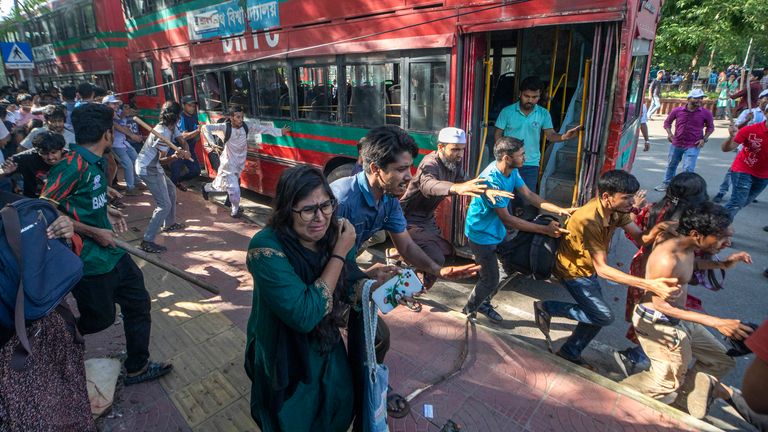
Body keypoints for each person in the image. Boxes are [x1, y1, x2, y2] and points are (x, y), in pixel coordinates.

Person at [330, 125, 479, 424]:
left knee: (377, 339)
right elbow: (323, 258)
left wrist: (438, 269)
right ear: (375, 169)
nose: (409, 176)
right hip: (318, 284)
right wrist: (362, 275)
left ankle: (370, 387)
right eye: (401, 169)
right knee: (327, 353)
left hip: (349, 281)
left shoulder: (387, 201)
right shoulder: (340, 199)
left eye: (410, 167)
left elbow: (407, 245)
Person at [244, 165, 397, 431]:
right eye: (307, 209)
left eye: (326, 205)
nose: (320, 218)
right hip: (284, 348)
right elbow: (304, 314)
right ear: (286, 210)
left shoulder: (333, 234)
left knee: (338, 403)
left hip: (325, 341)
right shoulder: (265, 248)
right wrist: (340, 252)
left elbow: (346, 282)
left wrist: (371, 283)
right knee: (293, 416)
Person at [39, 103, 172, 385]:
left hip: (112, 253)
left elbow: (81, 199)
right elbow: (43, 210)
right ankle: (49, 343)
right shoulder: (70, 165)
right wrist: (93, 230)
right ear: (108, 135)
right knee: (99, 320)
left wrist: (105, 209)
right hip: (88, 261)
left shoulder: (94, 161)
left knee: (138, 303)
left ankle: (137, 367)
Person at [534, 170, 681, 368]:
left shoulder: (616, 211)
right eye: (627, 198)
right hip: (573, 271)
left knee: (597, 315)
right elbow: (603, 269)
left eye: (632, 197)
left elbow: (640, 238)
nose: (632, 203)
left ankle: (570, 351)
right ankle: (548, 308)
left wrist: (658, 229)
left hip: (588, 269)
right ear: (606, 197)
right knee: (602, 316)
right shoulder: (590, 220)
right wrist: (649, 284)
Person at [621, 202, 753, 419]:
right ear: (696, 234)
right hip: (657, 322)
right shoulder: (667, 258)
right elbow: (661, 305)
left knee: (721, 359)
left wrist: (723, 264)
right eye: (720, 237)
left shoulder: (688, 245)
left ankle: (682, 406)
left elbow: (691, 266)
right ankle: (615, 395)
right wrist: (716, 322)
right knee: (665, 382)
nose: (726, 243)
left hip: (677, 318)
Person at [463, 137, 571, 323]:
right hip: (482, 235)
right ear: (506, 157)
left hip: (498, 230)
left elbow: (528, 194)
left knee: (510, 266)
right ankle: (468, 311)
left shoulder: (511, 171)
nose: (525, 157)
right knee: (489, 279)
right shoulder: (491, 180)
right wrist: (543, 230)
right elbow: (508, 219)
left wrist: (559, 209)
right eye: (521, 155)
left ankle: (484, 301)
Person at [398, 127, 514, 289]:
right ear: (440, 147)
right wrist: (457, 188)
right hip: (406, 217)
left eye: (462, 150)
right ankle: (411, 290)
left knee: (445, 250)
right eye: (455, 149)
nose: (460, 154)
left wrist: (487, 190)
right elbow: (428, 185)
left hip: (427, 218)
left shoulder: (454, 164)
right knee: (436, 258)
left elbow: (468, 183)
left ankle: (399, 256)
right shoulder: (430, 163)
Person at [494, 76, 581, 198]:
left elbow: (550, 136)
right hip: (508, 162)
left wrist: (564, 137)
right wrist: (500, 156)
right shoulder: (507, 112)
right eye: (526, 96)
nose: (530, 100)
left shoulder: (543, 114)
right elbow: (498, 134)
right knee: (503, 197)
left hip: (531, 164)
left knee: (526, 200)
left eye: (534, 97)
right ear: (520, 94)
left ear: (539, 97)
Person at [201, 106, 287, 218]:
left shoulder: (246, 126)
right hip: (228, 163)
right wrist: (211, 143)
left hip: (239, 163)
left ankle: (206, 187)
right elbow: (205, 128)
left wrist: (280, 131)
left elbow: (262, 129)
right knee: (234, 188)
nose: (240, 119)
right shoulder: (224, 127)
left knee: (220, 186)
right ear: (231, 117)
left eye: (242, 116)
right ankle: (235, 211)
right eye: (237, 117)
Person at [134, 101, 190, 253]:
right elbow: (161, 160)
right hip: (148, 168)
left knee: (171, 189)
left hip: (153, 166)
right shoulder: (162, 132)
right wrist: (176, 156)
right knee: (163, 204)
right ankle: (147, 240)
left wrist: (186, 150)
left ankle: (169, 223)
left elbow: (182, 141)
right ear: (177, 116)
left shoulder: (172, 127)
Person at [654, 89, 715, 192]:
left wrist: (704, 139)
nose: (699, 100)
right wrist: (669, 134)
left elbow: (710, 127)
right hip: (677, 143)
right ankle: (667, 183)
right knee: (671, 165)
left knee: (688, 169)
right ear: (689, 99)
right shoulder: (677, 111)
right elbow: (667, 123)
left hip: (693, 144)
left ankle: (685, 188)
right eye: (696, 98)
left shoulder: (706, 113)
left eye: (701, 98)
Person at [713, 89, 768, 203]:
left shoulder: (765, 115)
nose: (766, 100)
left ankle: (746, 193)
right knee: (732, 172)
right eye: (765, 98)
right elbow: (736, 128)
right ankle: (722, 192)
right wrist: (747, 120)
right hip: (745, 147)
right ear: (759, 100)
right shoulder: (748, 112)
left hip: (761, 152)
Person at [720, 103, 768, 219]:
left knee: (743, 202)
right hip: (743, 170)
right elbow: (726, 148)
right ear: (766, 113)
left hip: (764, 175)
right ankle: (717, 227)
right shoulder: (750, 130)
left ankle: (716, 217)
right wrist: (731, 137)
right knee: (738, 202)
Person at [0, 131, 67, 198]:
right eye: (44, 153)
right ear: (37, 151)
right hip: (33, 201)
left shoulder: (72, 158)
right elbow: (1, 170)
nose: (50, 157)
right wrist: (4, 172)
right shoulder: (26, 158)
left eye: (54, 152)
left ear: (62, 150)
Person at [103, 95, 143, 196]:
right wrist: (132, 136)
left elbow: (124, 126)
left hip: (124, 143)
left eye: (117, 103)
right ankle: (130, 188)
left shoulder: (117, 114)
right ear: (106, 105)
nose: (116, 105)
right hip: (116, 144)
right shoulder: (106, 116)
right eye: (113, 103)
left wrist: (124, 115)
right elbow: (118, 127)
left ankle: (137, 182)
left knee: (136, 159)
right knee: (128, 164)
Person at [171, 96, 202, 191]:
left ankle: (178, 182)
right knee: (175, 173)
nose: (192, 107)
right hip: (179, 149)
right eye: (190, 105)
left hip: (189, 149)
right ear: (183, 105)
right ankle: (172, 187)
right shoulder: (181, 117)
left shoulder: (194, 116)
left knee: (196, 171)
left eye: (193, 106)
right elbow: (182, 136)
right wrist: (197, 132)